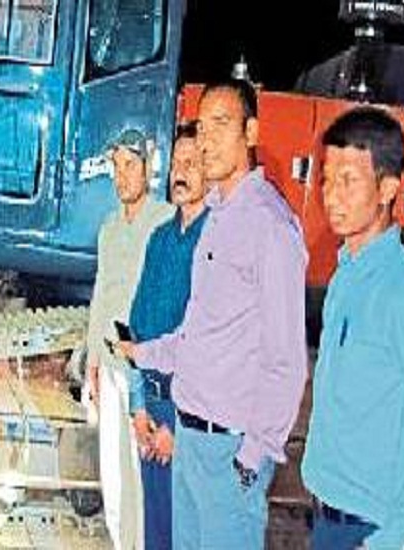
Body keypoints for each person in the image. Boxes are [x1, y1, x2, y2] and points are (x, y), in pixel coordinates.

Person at [119, 79, 308, 549]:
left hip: (230, 450)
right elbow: (198, 336)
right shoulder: (219, 218)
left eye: (221, 125)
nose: (206, 141)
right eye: (201, 128)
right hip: (190, 436)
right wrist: (141, 353)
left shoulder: (270, 225)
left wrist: (252, 456)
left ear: (251, 131)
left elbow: (286, 361)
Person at [301, 107, 404, 549]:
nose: (331, 195)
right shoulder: (345, 273)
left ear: (388, 188)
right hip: (327, 514)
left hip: (373, 527)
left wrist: (392, 538)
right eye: (327, 179)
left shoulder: (403, 291)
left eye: (348, 180)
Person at [85, 128, 174, 549]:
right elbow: (101, 294)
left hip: (144, 368)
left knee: (142, 479)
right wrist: (91, 361)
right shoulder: (109, 228)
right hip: (110, 364)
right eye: (116, 167)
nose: (122, 176)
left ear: (147, 168)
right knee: (114, 475)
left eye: (130, 165)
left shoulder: (165, 222)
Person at [126, 121, 209, 550]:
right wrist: (138, 407)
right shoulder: (159, 239)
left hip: (191, 417)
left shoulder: (217, 241)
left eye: (192, 163)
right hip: (152, 406)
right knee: (154, 531)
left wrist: (177, 426)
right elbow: (136, 326)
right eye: (177, 162)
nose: (181, 172)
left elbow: (211, 346)